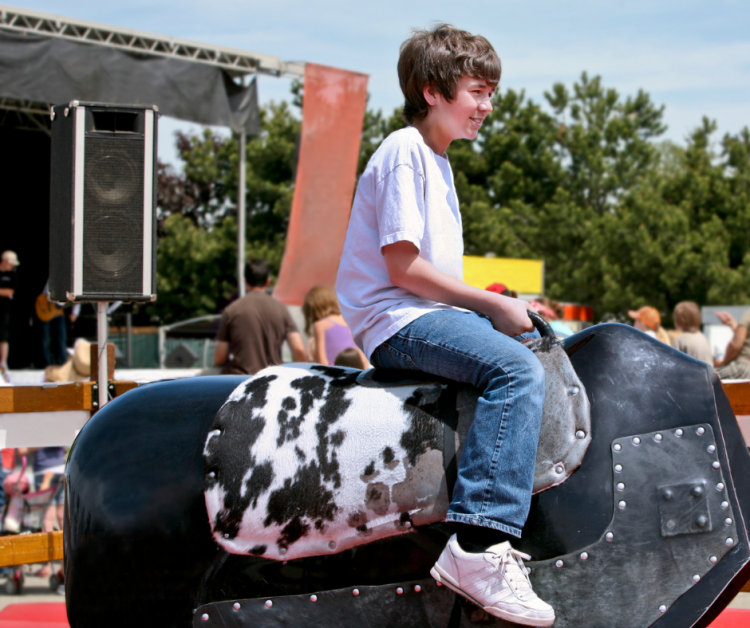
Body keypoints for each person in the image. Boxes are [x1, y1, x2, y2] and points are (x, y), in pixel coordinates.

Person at [336, 24, 554, 626]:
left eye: (491, 94)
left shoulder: (436, 160)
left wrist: (501, 307)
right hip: (395, 319)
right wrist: (490, 305)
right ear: (432, 90)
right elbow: (403, 267)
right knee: (516, 369)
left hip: (419, 312)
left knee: (534, 343)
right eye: (478, 92)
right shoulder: (405, 150)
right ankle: (479, 546)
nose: (487, 106)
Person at [214, 259, 306, 375]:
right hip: (271, 380)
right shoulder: (281, 310)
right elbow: (299, 349)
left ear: (246, 282)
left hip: (240, 381)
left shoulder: (231, 310)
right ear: (268, 281)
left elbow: (219, 357)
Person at [302, 286, 369, 367]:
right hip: (355, 366)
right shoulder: (346, 318)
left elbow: (321, 360)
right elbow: (359, 350)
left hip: (334, 371)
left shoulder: (320, 325)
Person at [0, 250, 20, 381]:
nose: (12, 266)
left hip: (4, 309)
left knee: (3, 335)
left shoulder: (12, 275)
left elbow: (9, 292)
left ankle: (3, 362)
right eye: (10, 264)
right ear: (4, 261)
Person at [714, 309, 750, 379]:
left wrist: (723, 363)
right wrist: (732, 323)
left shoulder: (748, 315)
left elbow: (735, 346)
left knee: (704, 379)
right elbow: (744, 337)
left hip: (742, 367)